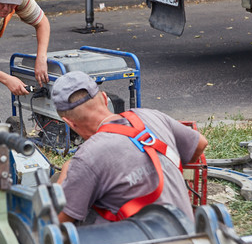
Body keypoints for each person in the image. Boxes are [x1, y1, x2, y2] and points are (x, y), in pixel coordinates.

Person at [51, 71, 208, 224]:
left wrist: (66, 173)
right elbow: (200, 144)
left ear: (69, 123)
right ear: (105, 99)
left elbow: (57, 221)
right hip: (189, 235)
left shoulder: (86, 158)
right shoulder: (151, 115)